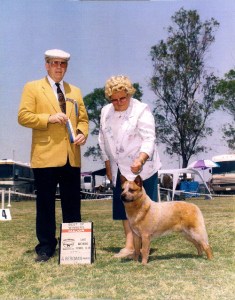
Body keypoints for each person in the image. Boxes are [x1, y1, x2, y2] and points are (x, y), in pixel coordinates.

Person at [18, 49, 89, 262]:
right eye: (55, 63)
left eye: (63, 64)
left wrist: (81, 133)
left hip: (71, 156)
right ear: (47, 65)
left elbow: (83, 119)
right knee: (45, 204)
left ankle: (74, 247)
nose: (59, 67)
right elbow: (23, 116)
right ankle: (46, 247)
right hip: (45, 156)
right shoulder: (32, 87)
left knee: (72, 203)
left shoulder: (74, 91)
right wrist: (48, 118)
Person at [98, 75, 161, 258]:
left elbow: (149, 138)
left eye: (122, 98)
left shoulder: (141, 110)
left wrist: (140, 159)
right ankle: (130, 245)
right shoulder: (105, 112)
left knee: (144, 208)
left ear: (129, 94)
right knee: (124, 207)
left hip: (143, 167)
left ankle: (143, 244)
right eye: (114, 99)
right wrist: (108, 164)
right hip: (120, 168)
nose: (118, 102)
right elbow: (102, 140)